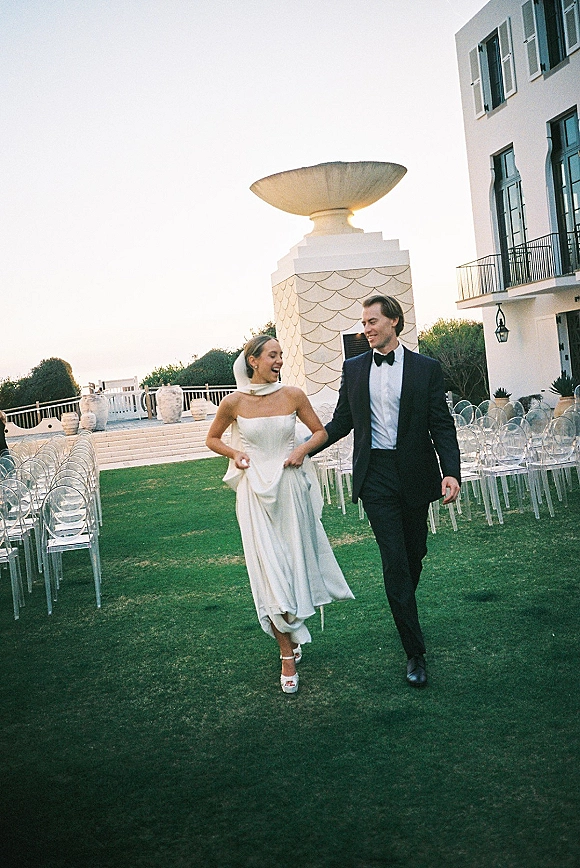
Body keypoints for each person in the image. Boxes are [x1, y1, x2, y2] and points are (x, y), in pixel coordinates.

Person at [316, 295, 460, 688]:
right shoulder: (354, 366)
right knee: (395, 561)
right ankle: (415, 652)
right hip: (375, 475)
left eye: (373, 321)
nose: (367, 328)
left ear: (394, 321)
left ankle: (402, 604)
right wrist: (304, 449)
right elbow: (342, 420)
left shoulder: (425, 368)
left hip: (414, 473)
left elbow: (441, 425)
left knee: (415, 554)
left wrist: (452, 473)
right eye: (363, 323)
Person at [206, 335, 354, 694]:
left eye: (281, 356)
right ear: (253, 361)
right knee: (269, 571)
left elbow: (321, 431)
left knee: (293, 564)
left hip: (290, 489)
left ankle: (292, 625)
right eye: (273, 355)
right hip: (255, 492)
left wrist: (302, 449)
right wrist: (234, 455)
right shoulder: (233, 402)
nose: (279, 361)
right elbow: (212, 439)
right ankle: (286, 652)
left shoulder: (293, 395)